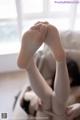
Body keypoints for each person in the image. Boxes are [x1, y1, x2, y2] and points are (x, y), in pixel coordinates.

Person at [17, 21, 70, 120]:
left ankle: (30, 66)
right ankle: (60, 61)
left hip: (44, 113)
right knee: (57, 103)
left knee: (52, 101)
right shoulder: (54, 81)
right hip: (57, 113)